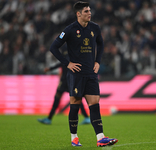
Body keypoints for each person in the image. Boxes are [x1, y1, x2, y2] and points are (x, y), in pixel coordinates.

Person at [49, 1, 118, 147]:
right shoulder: (69, 30)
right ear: (78, 14)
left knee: (94, 103)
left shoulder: (95, 28)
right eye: (86, 11)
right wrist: (67, 63)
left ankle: (100, 137)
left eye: (89, 10)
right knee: (75, 104)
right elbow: (53, 47)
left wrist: (97, 61)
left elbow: (101, 43)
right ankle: (74, 137)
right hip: (76, 75)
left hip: (91, 74)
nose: (89, 13)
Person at [37, 48, 91, 125]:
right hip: (70, 81)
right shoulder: (74, 55)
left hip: (65, 81)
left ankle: (49, 119)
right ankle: (86, 117)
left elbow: (62, 63)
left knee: (59, 99)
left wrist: (50, 68)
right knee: (76, 99)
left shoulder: (68, 54)